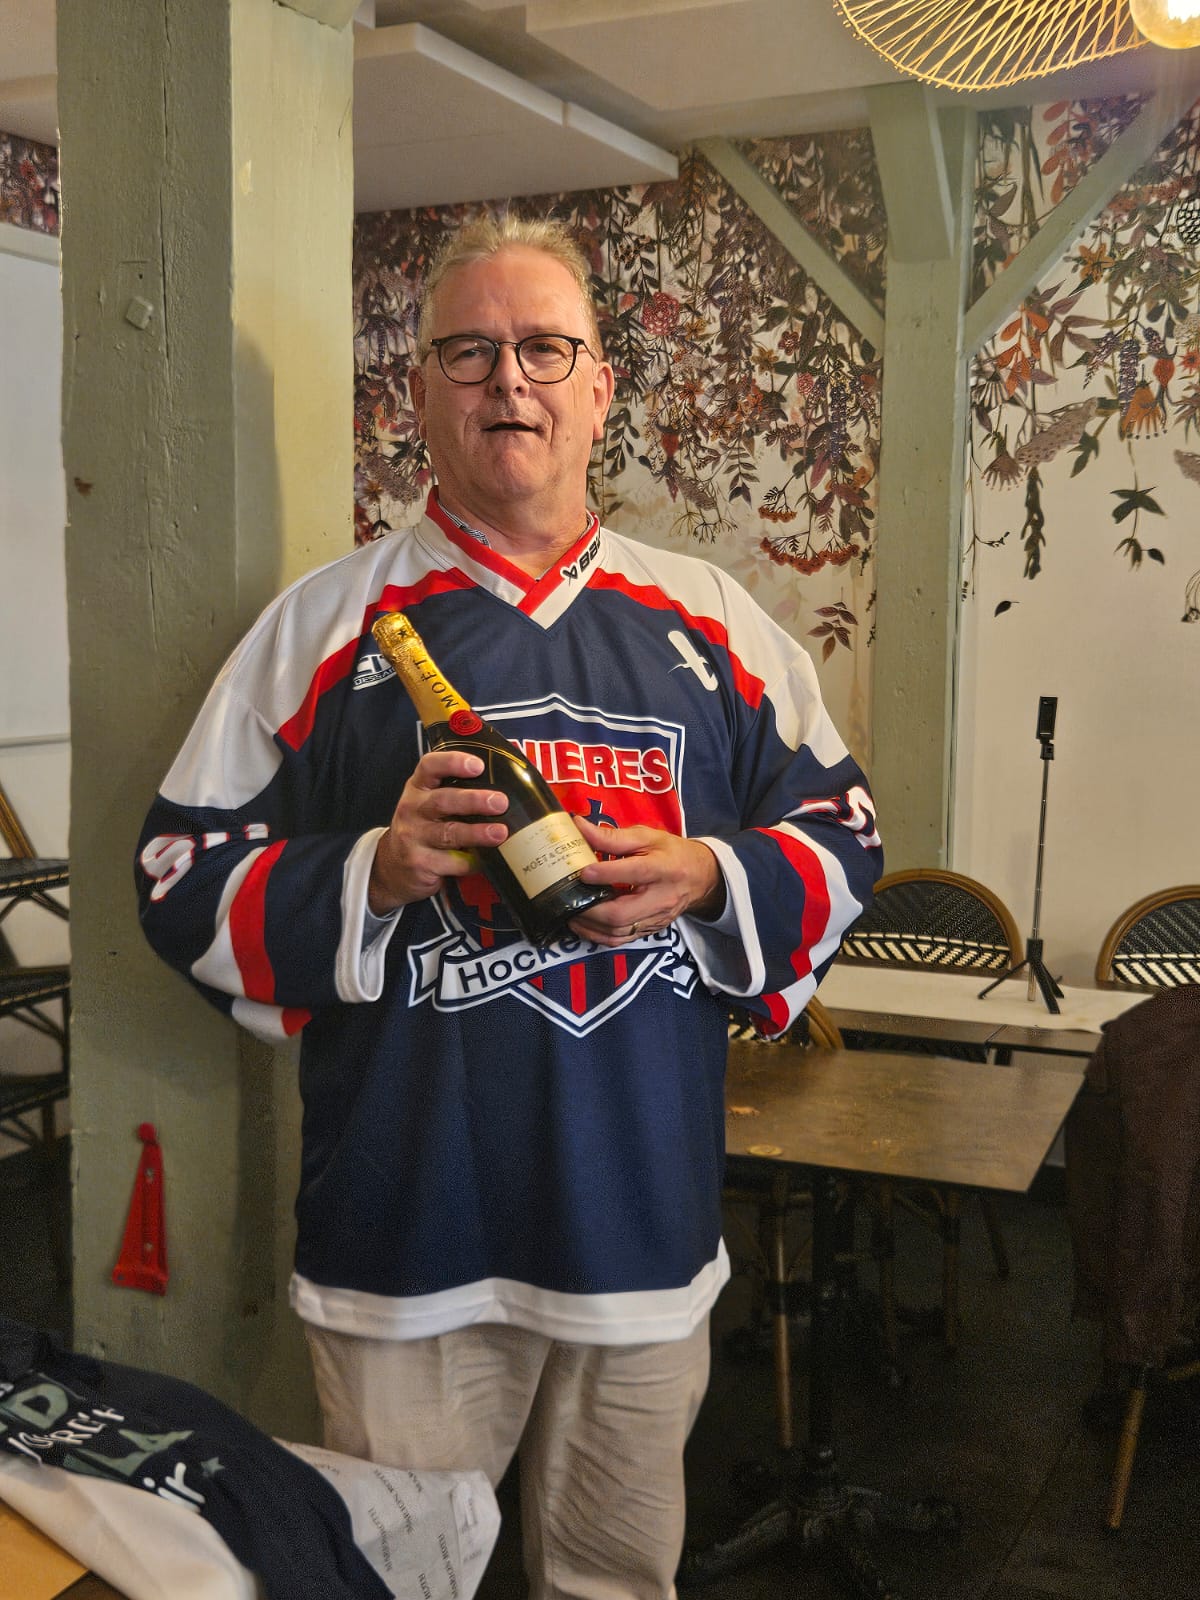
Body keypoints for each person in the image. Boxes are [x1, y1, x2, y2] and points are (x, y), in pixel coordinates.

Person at [136, 213, 882, 1598]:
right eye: (469, 353)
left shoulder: (715, 619)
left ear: (600, 387)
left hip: (640, 1224)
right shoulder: (324, 626)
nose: (509, 382)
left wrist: (709, 873)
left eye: (545, 349)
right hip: (405, 1239)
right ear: (418, 392)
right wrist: (371, 871)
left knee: (616, 1582)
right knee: (402, 1581)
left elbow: (846, 837)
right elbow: (179, 870)